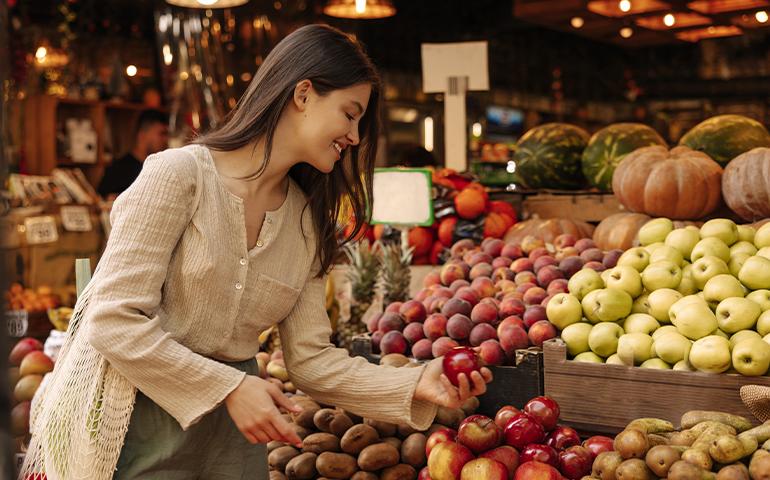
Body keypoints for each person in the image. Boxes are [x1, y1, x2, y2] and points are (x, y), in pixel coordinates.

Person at [21, 24, 492, 480]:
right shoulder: (179, 176)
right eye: (350, 113)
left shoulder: (308, 223)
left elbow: (311, 361)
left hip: (233, 440)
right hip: (132, 421)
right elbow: (113, 318)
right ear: (303, 94)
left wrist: (415, 381)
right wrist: (227, 387)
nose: (354, 136)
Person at [97, 109, 169, 198]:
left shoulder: (162, 169)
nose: (166, 140)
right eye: (162, 134)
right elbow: (102, 200)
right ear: (142, 135)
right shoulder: (117, 170)